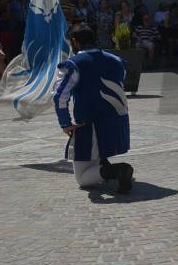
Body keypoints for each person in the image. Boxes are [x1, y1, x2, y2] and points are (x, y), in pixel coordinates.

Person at [53, 26, 133, 193]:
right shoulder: (117, 60)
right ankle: (104, 163)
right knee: (97, 152)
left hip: (90, 124)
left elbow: (60, 96)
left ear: (75, 41)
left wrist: (65, 123)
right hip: (118, 122)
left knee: (82, 179)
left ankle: (116, 171)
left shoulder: (74, 64)